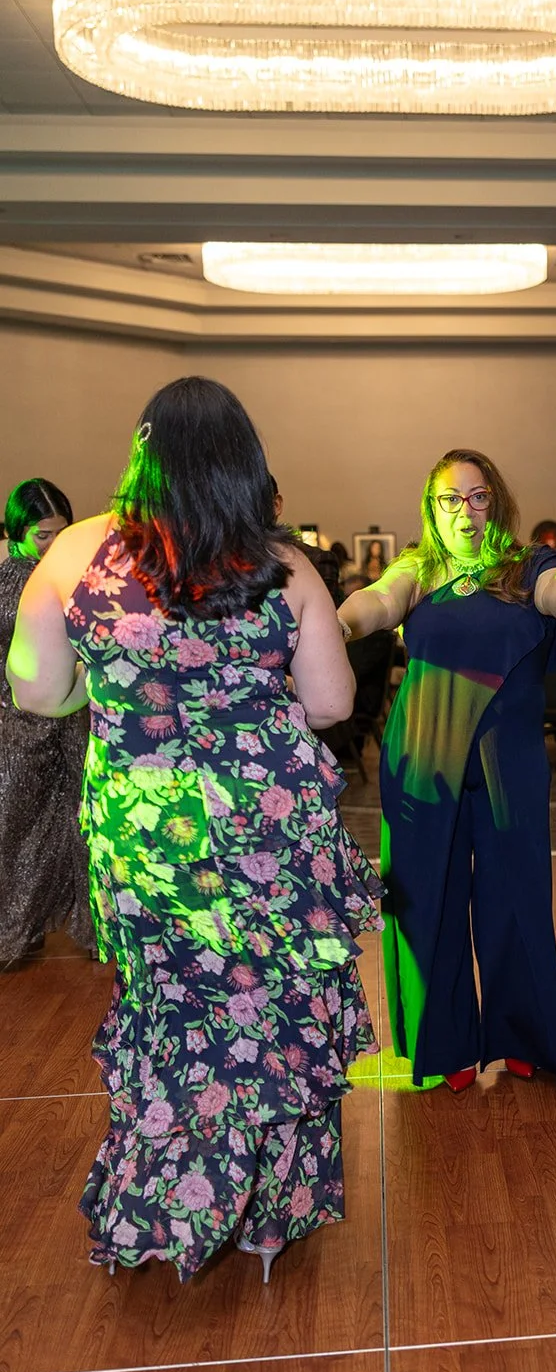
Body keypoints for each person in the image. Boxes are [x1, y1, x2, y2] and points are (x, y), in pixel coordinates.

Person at [7, 377, 382, 1282]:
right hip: (269, 832)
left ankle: (167, 1208)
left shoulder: (73, 555)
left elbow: (35, 690)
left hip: (147, 834)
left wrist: (134, 685)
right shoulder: (281, 563)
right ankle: (265, 1216)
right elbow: (333, 701)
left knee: (176, 1011)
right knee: (275, 1011)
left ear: (141, 451)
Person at [339, 448, 556, 1094]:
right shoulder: (418, 567)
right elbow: (377, 602)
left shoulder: (528, 565)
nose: (466, 509)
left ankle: (521, 1038)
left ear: (497, 501)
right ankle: (447, 1046)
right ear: (431, 508)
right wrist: (334, 623)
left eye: (478, 495)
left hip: (505, 758)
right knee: (424, 899)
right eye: (450, 498)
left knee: (515, 893)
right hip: (422, 753)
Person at [0, 478, 93, 969]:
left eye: (62, 532)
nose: (54, 544)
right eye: (42, 535)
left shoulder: (77, 577)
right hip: (14, 725)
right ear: (17, 530)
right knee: (13, 833)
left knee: (81, 827)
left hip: (74, 718)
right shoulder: (8, 580)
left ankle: (93, 928)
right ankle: (16, 932)